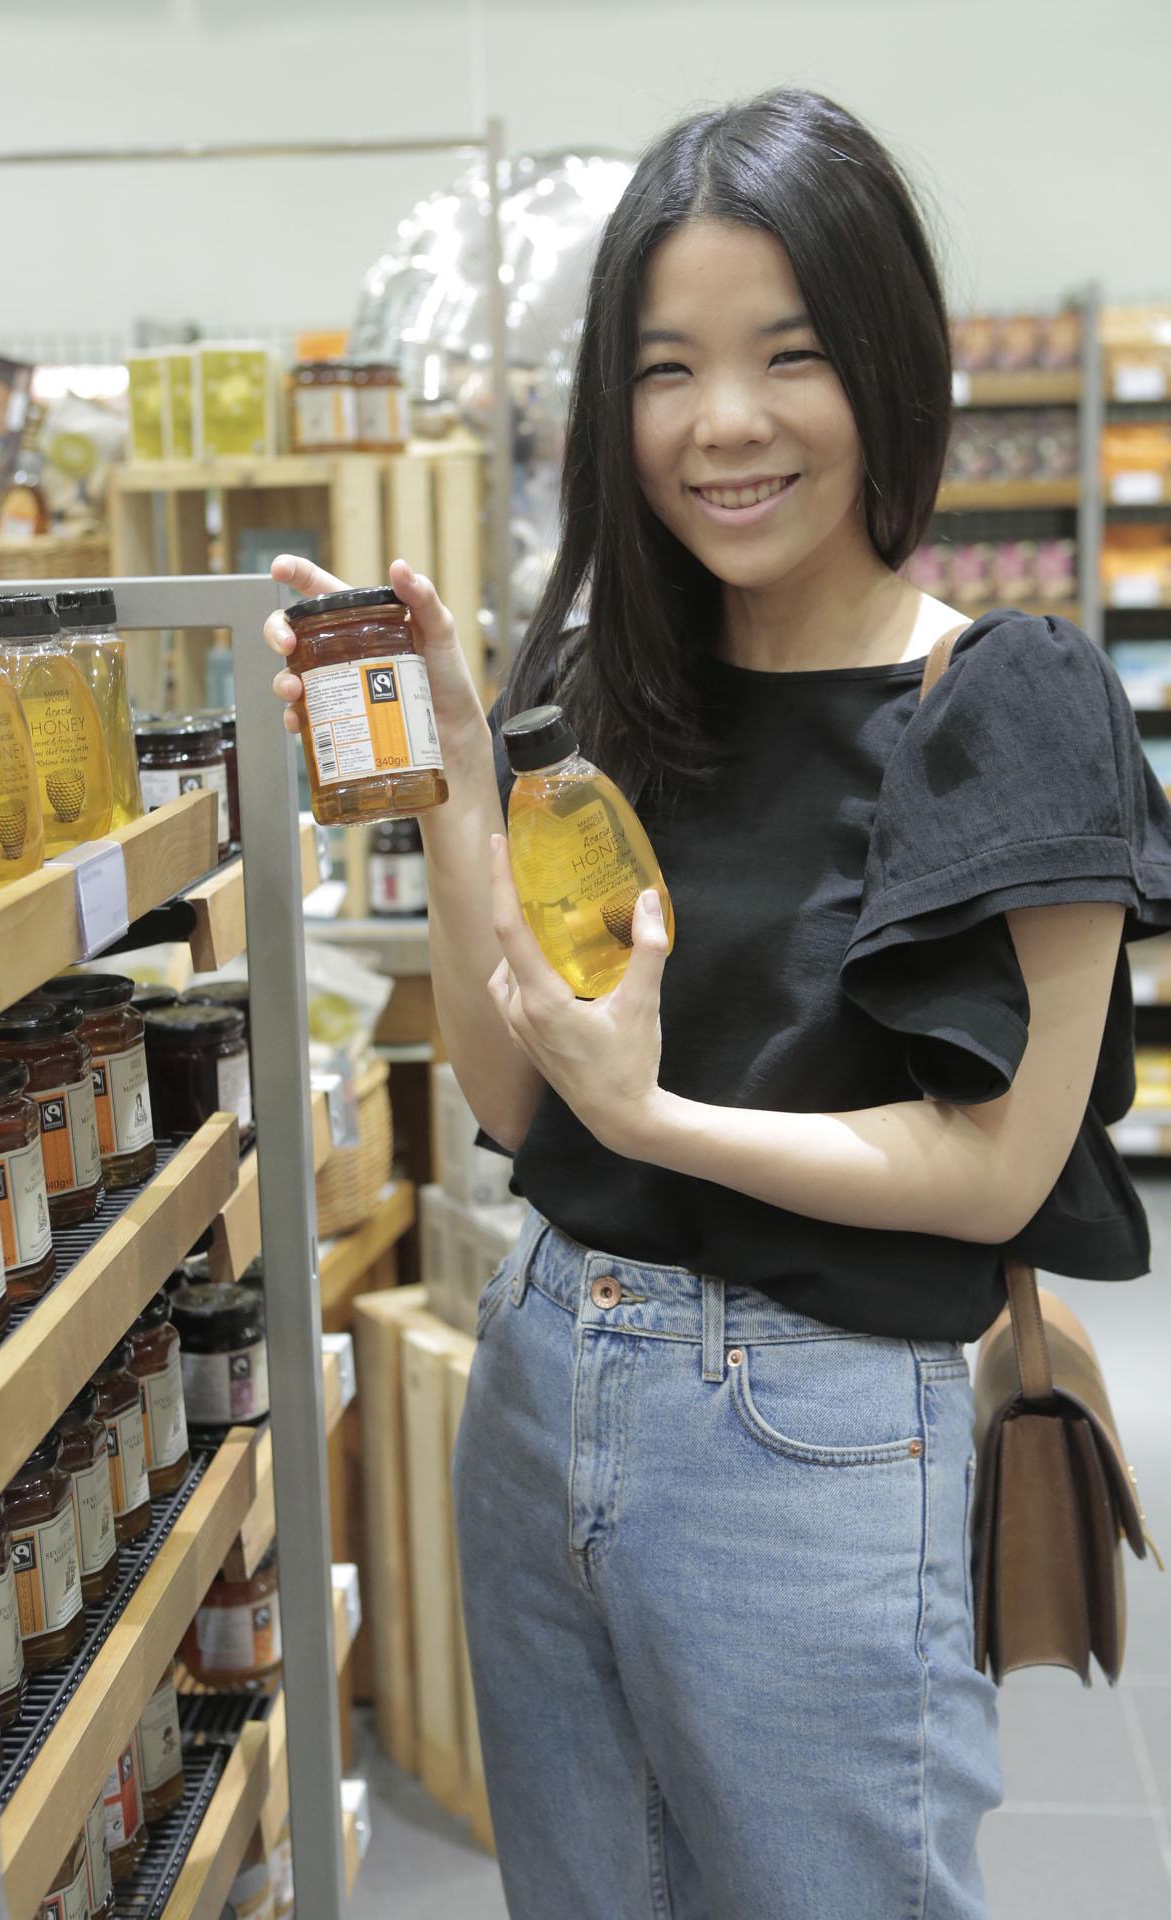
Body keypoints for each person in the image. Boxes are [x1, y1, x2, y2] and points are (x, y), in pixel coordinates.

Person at [265, 87, 1171, 1920]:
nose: (723, 422)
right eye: (666, 369)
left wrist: (656, 1119)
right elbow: (517, 1103)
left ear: (888, 365)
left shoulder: (1007, 701)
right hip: (542, 1380)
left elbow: (998, 1168)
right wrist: (455, 783)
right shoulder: (608, 687)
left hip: (811, 1430)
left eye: (790, 355)